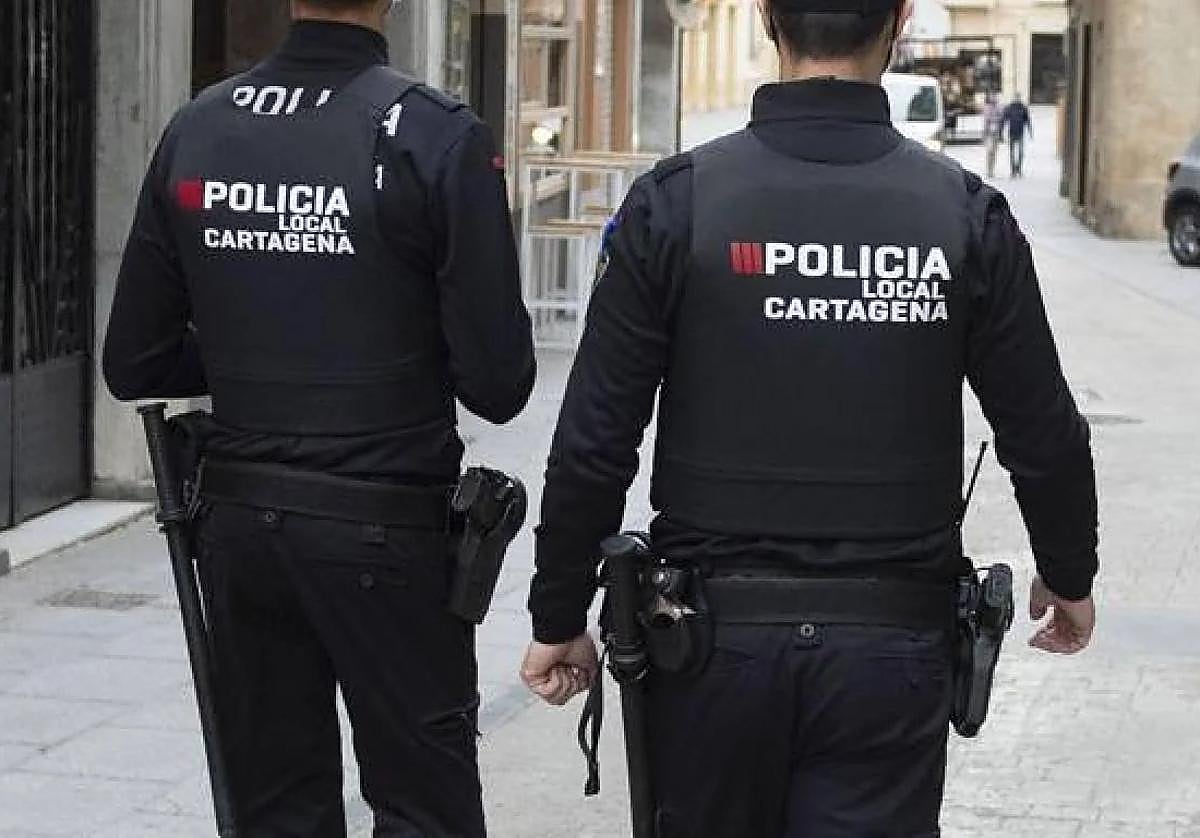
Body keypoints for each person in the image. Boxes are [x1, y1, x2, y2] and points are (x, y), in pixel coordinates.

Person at [520, 0, 1099, 835]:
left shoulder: (673, 206)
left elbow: (593, 442)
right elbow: (1043, 431)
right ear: (899, 20)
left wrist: (556, 614)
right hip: (889, 656)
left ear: (765, 16)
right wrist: (1068, 571)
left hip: (709, 651)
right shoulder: (964, 216)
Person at [103, 0, 534, 834]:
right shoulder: (434, 134)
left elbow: (135, 361)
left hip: (243, 531)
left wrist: (246, 354)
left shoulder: (201, 127)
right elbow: (500, 381)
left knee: (275, 809)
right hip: (387, 531)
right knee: (424, 808)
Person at [1000, 92, 1034, 177]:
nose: (1017, 99)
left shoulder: (1023, 107)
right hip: (1012, 132)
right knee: (1012, 152)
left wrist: (1030, 131)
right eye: (1016, 98)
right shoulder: (1009, 107)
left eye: (1018, 97)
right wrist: (1000, 132)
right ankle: (1013, 170)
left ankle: (1018, 168)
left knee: (1020, 152)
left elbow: (1027, 120)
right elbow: (1003, 120)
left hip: (1020, 132)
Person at [983, 92, 1002, 178]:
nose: (994, 98)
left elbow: (1001, 118)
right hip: (989, 133)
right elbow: (986, 121)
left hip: (996, 132)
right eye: (992, 97)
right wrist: (984, 133)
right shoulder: (987, 107)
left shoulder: (998, 107)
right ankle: (989, 170)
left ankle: (992, 170)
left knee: (994, 152)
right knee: (990, 151)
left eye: (995, 97)